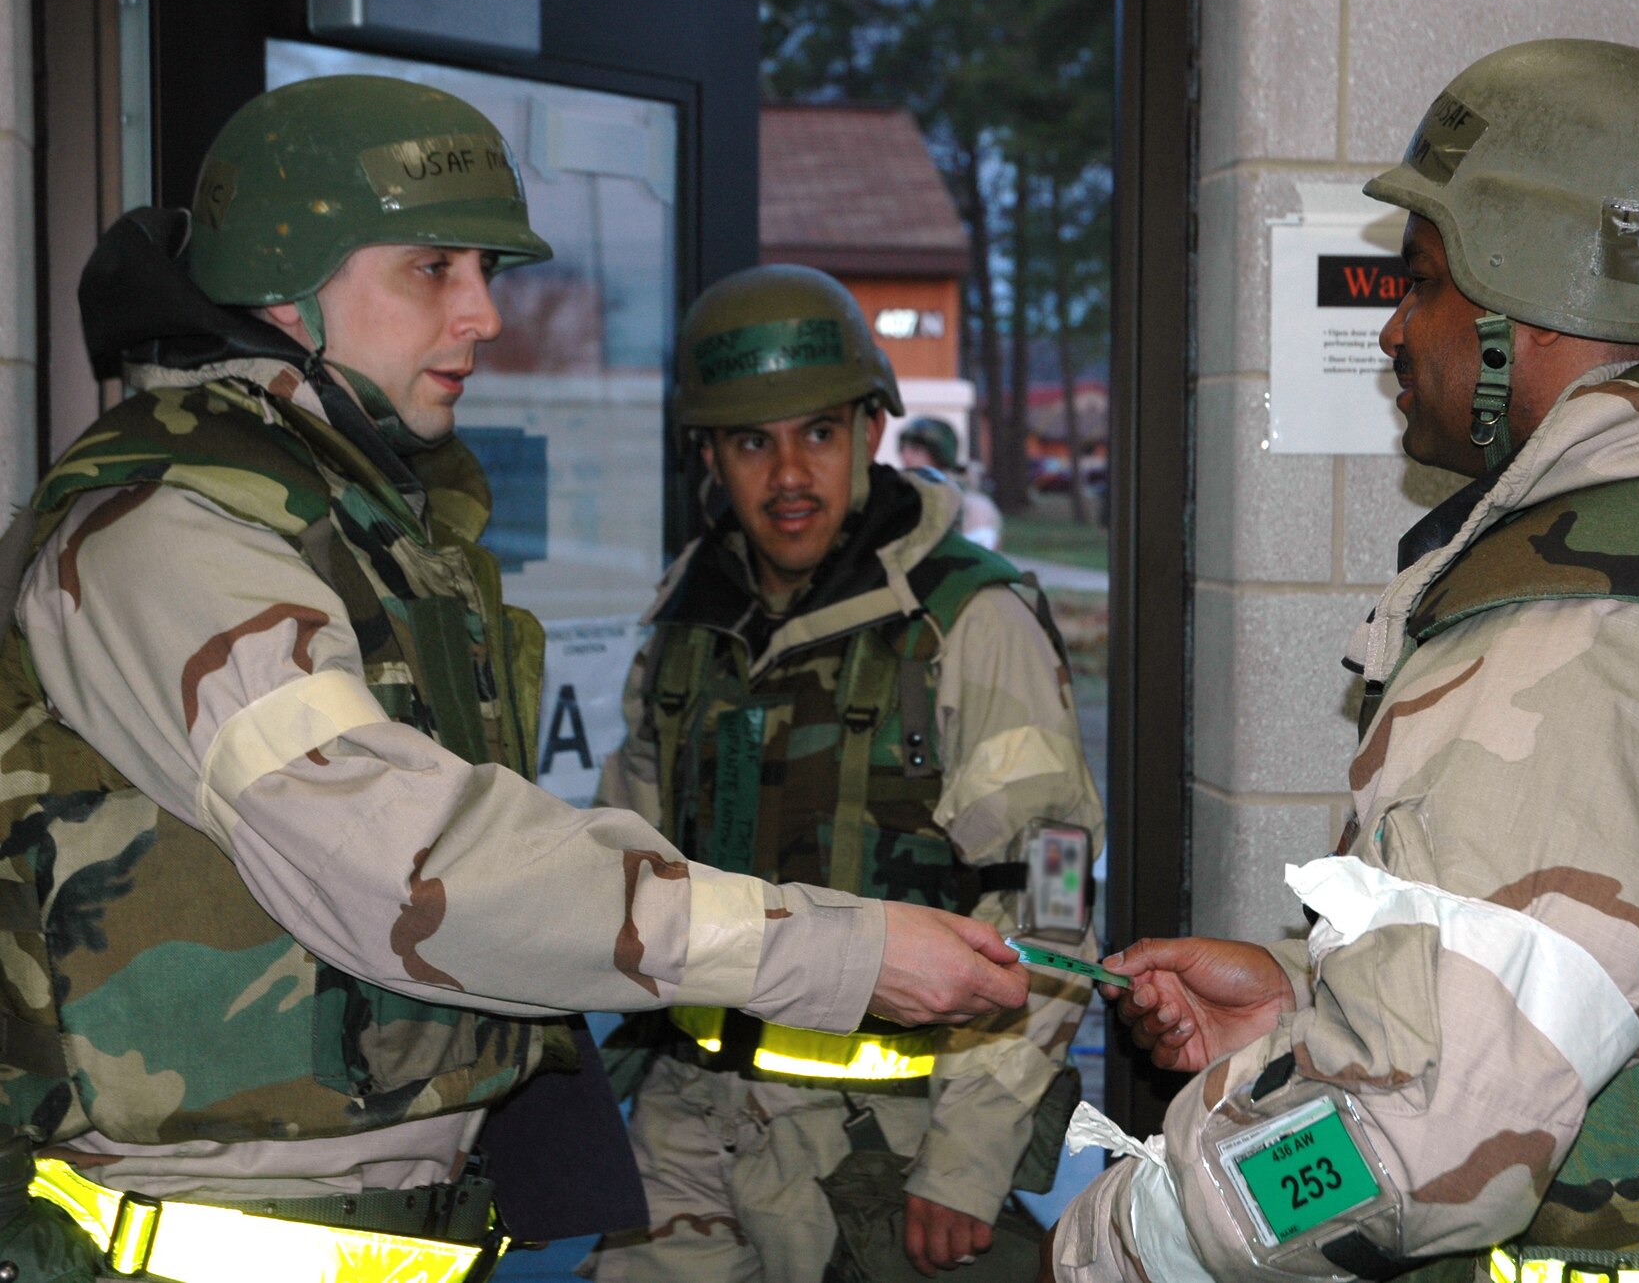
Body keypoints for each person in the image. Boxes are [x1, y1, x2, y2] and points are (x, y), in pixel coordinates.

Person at [0, 76, 1027, 1282]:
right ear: (284, 284)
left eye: (486, 272)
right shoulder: (166, 536)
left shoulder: (352, 521)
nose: (484, 314)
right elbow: (412, 868)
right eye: (433, 268)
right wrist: (837, 949)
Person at [1051, 39, 1639, 1282]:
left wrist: (1133, 1231)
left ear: (1527, 299)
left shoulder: (1571, 627)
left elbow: (1404, 1144)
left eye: (1425, 279)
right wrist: (1303, 989)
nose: (1396, 328)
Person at [586, 264, 1102, 1281]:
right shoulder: (688, 620)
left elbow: (1049, 914)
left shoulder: (968, 621)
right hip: (683, 1129)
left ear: (871, 429)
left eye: (817, 433)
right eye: (750, 441)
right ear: (707, 452)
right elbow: (626, 868)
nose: (787, 475)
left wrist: (966, 1162)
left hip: (879, 1148)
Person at [897, 417, 1004, 552]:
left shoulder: (973, 506)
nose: (906, 456)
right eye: (903, 448)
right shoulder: (900, 498)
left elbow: (981, 558)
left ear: (939, 455)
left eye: (916, 450)